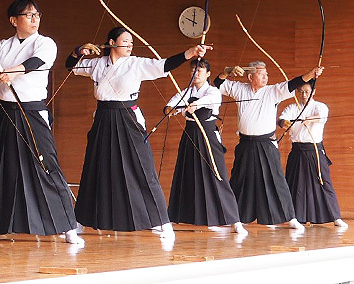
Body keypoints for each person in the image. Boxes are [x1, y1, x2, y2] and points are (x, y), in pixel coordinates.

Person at [65, 27, 207, 241]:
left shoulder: (136, 64)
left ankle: (161, 221)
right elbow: (70, 66)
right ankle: (81, 220)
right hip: (103, 118)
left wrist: (191, 53)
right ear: (112, 42)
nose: (131, 45)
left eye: (132, 41)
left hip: (128, 118)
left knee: (143, 168)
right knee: (95, 167)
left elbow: (164, 65)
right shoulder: (97, 64)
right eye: (125, 41)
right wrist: (78, 51)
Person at [0, 0, 82, 246]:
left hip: (33, 113)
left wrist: (13, 72)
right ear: (14, 20)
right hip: (6, 113)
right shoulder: (3, 45)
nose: (35, 19)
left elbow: (36, 63)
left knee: (47, 165)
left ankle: (68, 226)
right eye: (28, 15)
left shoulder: (46, 43)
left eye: (37, 14)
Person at [213, 62, 323, 232]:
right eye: (261, 74)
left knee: (276, 180)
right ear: (250, 77)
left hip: (266, 144)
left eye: (266, 74)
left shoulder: (273, 91)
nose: (266, 77)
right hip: (246, 144)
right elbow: (218, 84)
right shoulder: (239, 88)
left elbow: (294, 83)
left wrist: (311, 73)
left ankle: (290, 217)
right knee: (240, 180)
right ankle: (235, 218)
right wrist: (226, 71)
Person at [163, 58, 245, 237]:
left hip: (207, 135)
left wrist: (195, 104)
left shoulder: (213, 91)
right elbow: (172, 103)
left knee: (218, 175)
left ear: (208, 74)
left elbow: (208, 100)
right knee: (187, 174)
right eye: (194, 69)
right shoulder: (186, 91)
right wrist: (170, 109)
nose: (196, 72)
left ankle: (236, 221)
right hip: (190, 135)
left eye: (200, 69)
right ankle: (176, 217)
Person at [278, 82, 346, 229]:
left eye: (307, 91)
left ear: (313, 91)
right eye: (301, 91)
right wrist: (285, 123)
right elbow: (282, 119)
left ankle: (336, 217)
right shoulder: (292, 108)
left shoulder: (320, 106)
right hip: (297, 150)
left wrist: (309, 120)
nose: (304, 94)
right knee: (296, 185)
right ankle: (296, 217)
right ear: (296, 92)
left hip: (314, 149)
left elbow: (321, 117)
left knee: (324, 182)